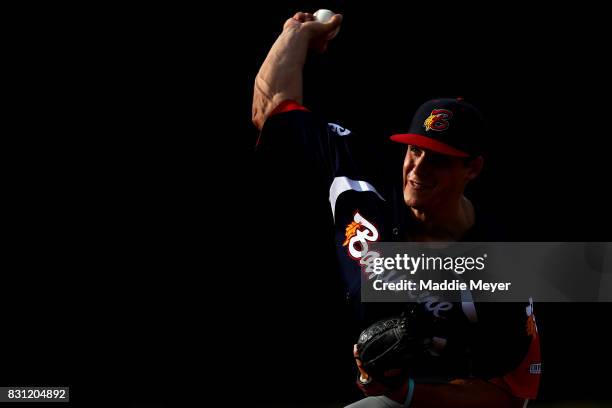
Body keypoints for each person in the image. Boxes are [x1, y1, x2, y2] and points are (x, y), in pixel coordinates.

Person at [253, 11, 541, 407]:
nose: (418, 169)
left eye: (438, 159)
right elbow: (273, 107)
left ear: (472, 169)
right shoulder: (363, 181)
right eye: (415, 150)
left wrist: (404, 392)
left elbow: (509, 397)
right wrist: (297, 33)